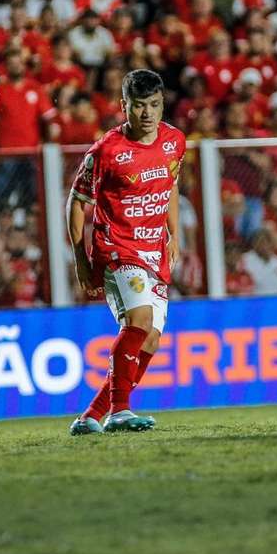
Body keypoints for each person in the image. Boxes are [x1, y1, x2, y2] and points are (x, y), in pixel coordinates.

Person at [67, 68, 186, 435]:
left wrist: (174, 234)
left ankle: (91, 416)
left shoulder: (175, 141)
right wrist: (81, 260)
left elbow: (170, 187)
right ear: (124, 106)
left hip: (154, 251)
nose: (147, 113)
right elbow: (77, 200)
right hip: (117, 248)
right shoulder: (107, 151)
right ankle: (121, 411)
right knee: (140, 322)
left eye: (154, 105)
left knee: (150, 337)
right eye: (138, 106)